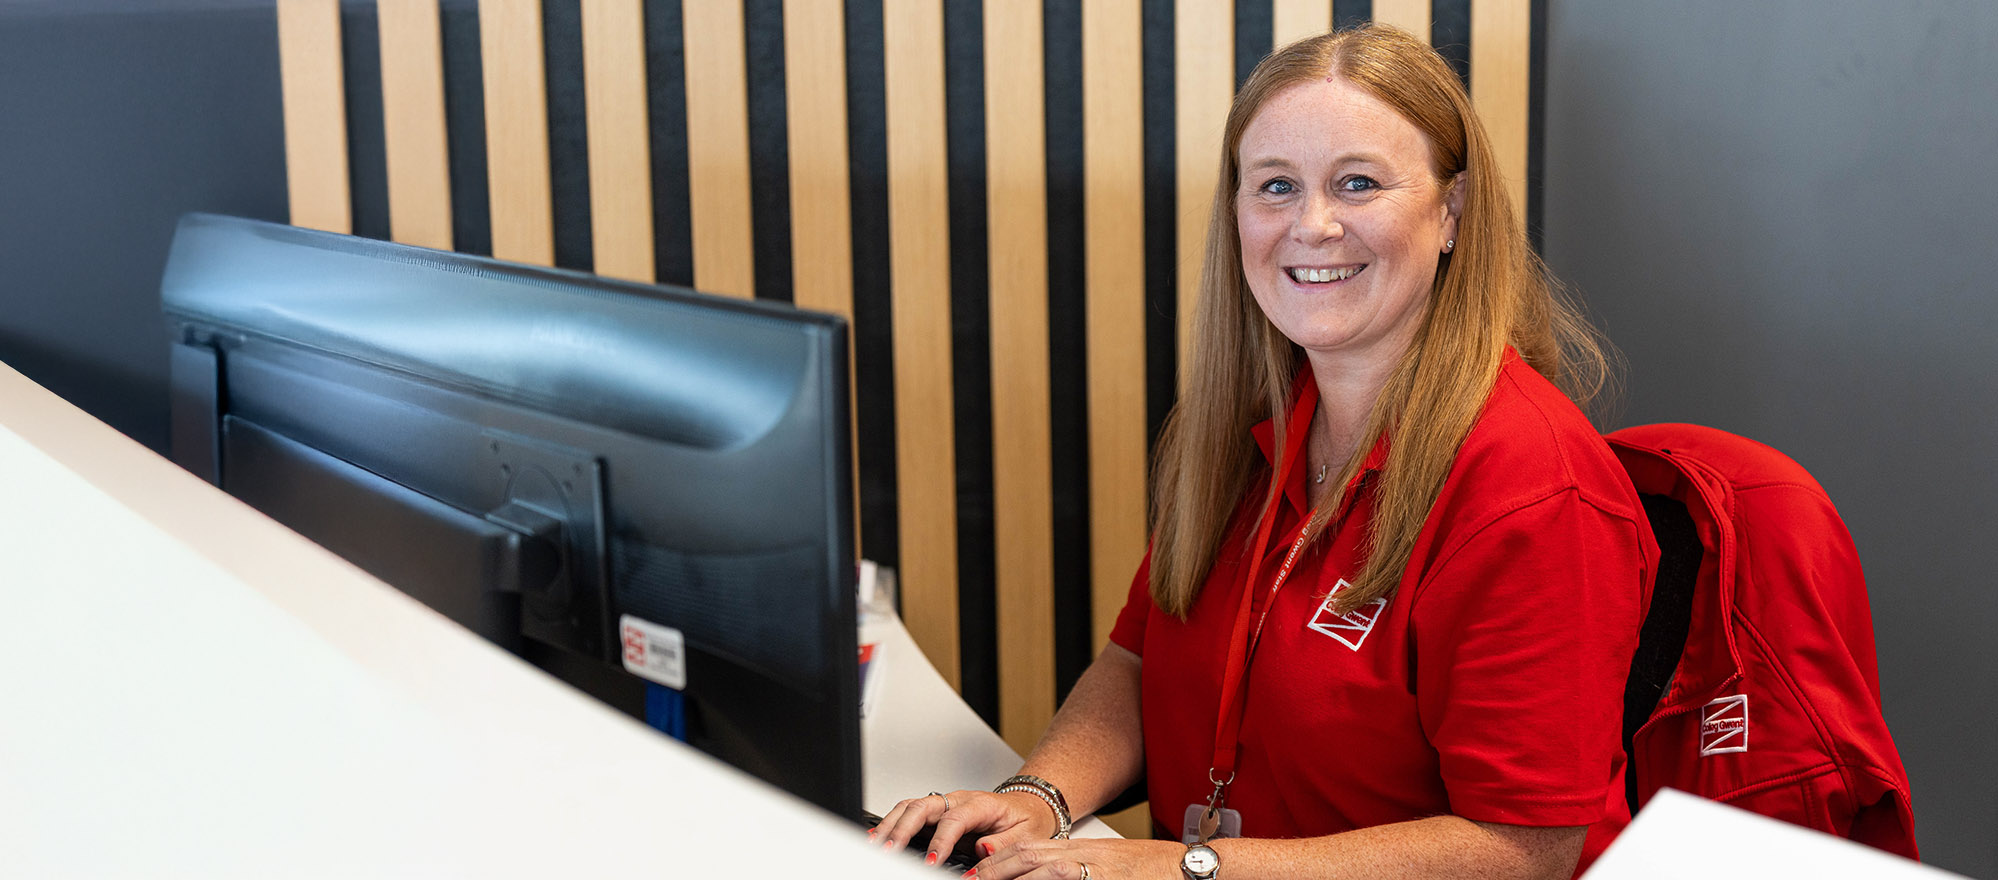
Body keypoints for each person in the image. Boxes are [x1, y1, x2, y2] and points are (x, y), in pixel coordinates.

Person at [872, 23, 1652, 880]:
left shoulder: (1534, 485)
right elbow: (1140, 662)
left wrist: (1184, 868)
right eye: (1275, 187)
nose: (1312, 226)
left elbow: (1527, 847)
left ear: (1451, 212)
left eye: (1358, 183)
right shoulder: (1252, 429)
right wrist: (1039, 797)